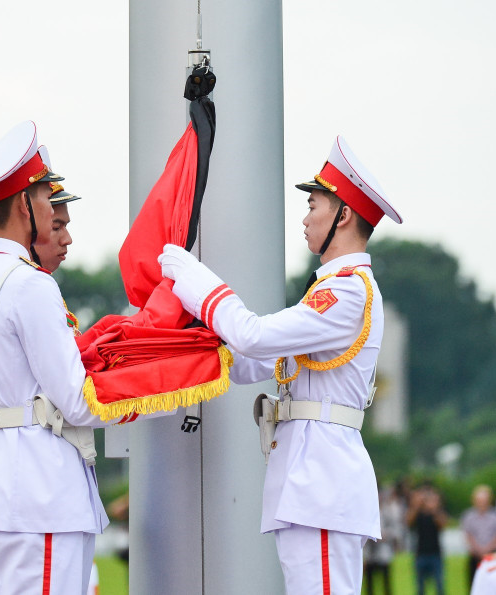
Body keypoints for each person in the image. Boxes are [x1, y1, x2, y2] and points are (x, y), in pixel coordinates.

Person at [158, 135, 403, 593]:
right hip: (308, 481)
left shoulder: (347, 290)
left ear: (343, 216)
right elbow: (249, 363)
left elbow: (253, 335)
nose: (306, 218)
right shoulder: (328, 290)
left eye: (313, 206)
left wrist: (195, 281)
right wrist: (182, 342)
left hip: (322, 482)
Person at [0, 121, 158, 594]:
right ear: (25, 205)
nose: (51, 207)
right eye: (45, 197)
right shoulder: (30, 284)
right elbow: (77, 402)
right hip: (39, 489)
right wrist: (161, 394)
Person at [406, 482, 448, 595]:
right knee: (420, 587)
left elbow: (443, 524)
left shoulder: (436, 513)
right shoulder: (418, 514)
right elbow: (408, 522)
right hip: (420, 553)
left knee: (439, 585)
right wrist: (416, 505)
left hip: (436, 553)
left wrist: (434, 509)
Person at [461, 484, 496, 589]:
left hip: (492, 555)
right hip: (475, 556)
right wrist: (478, 550)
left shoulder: (495, 516)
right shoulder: (469, 516)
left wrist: (488, 549)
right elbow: (468, 535)